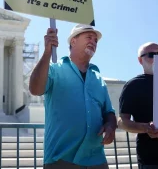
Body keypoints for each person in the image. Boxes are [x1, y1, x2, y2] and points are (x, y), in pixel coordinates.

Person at [29, 24, 117, 169]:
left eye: (96, 40)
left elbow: (109, 111)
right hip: (61, 159)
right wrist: (46, 54)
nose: (93, 42)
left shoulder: (98, 78)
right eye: (89, 37)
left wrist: (110, 125)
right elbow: (35, 89)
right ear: (73, 41)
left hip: (96, 159)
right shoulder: (54, 69)